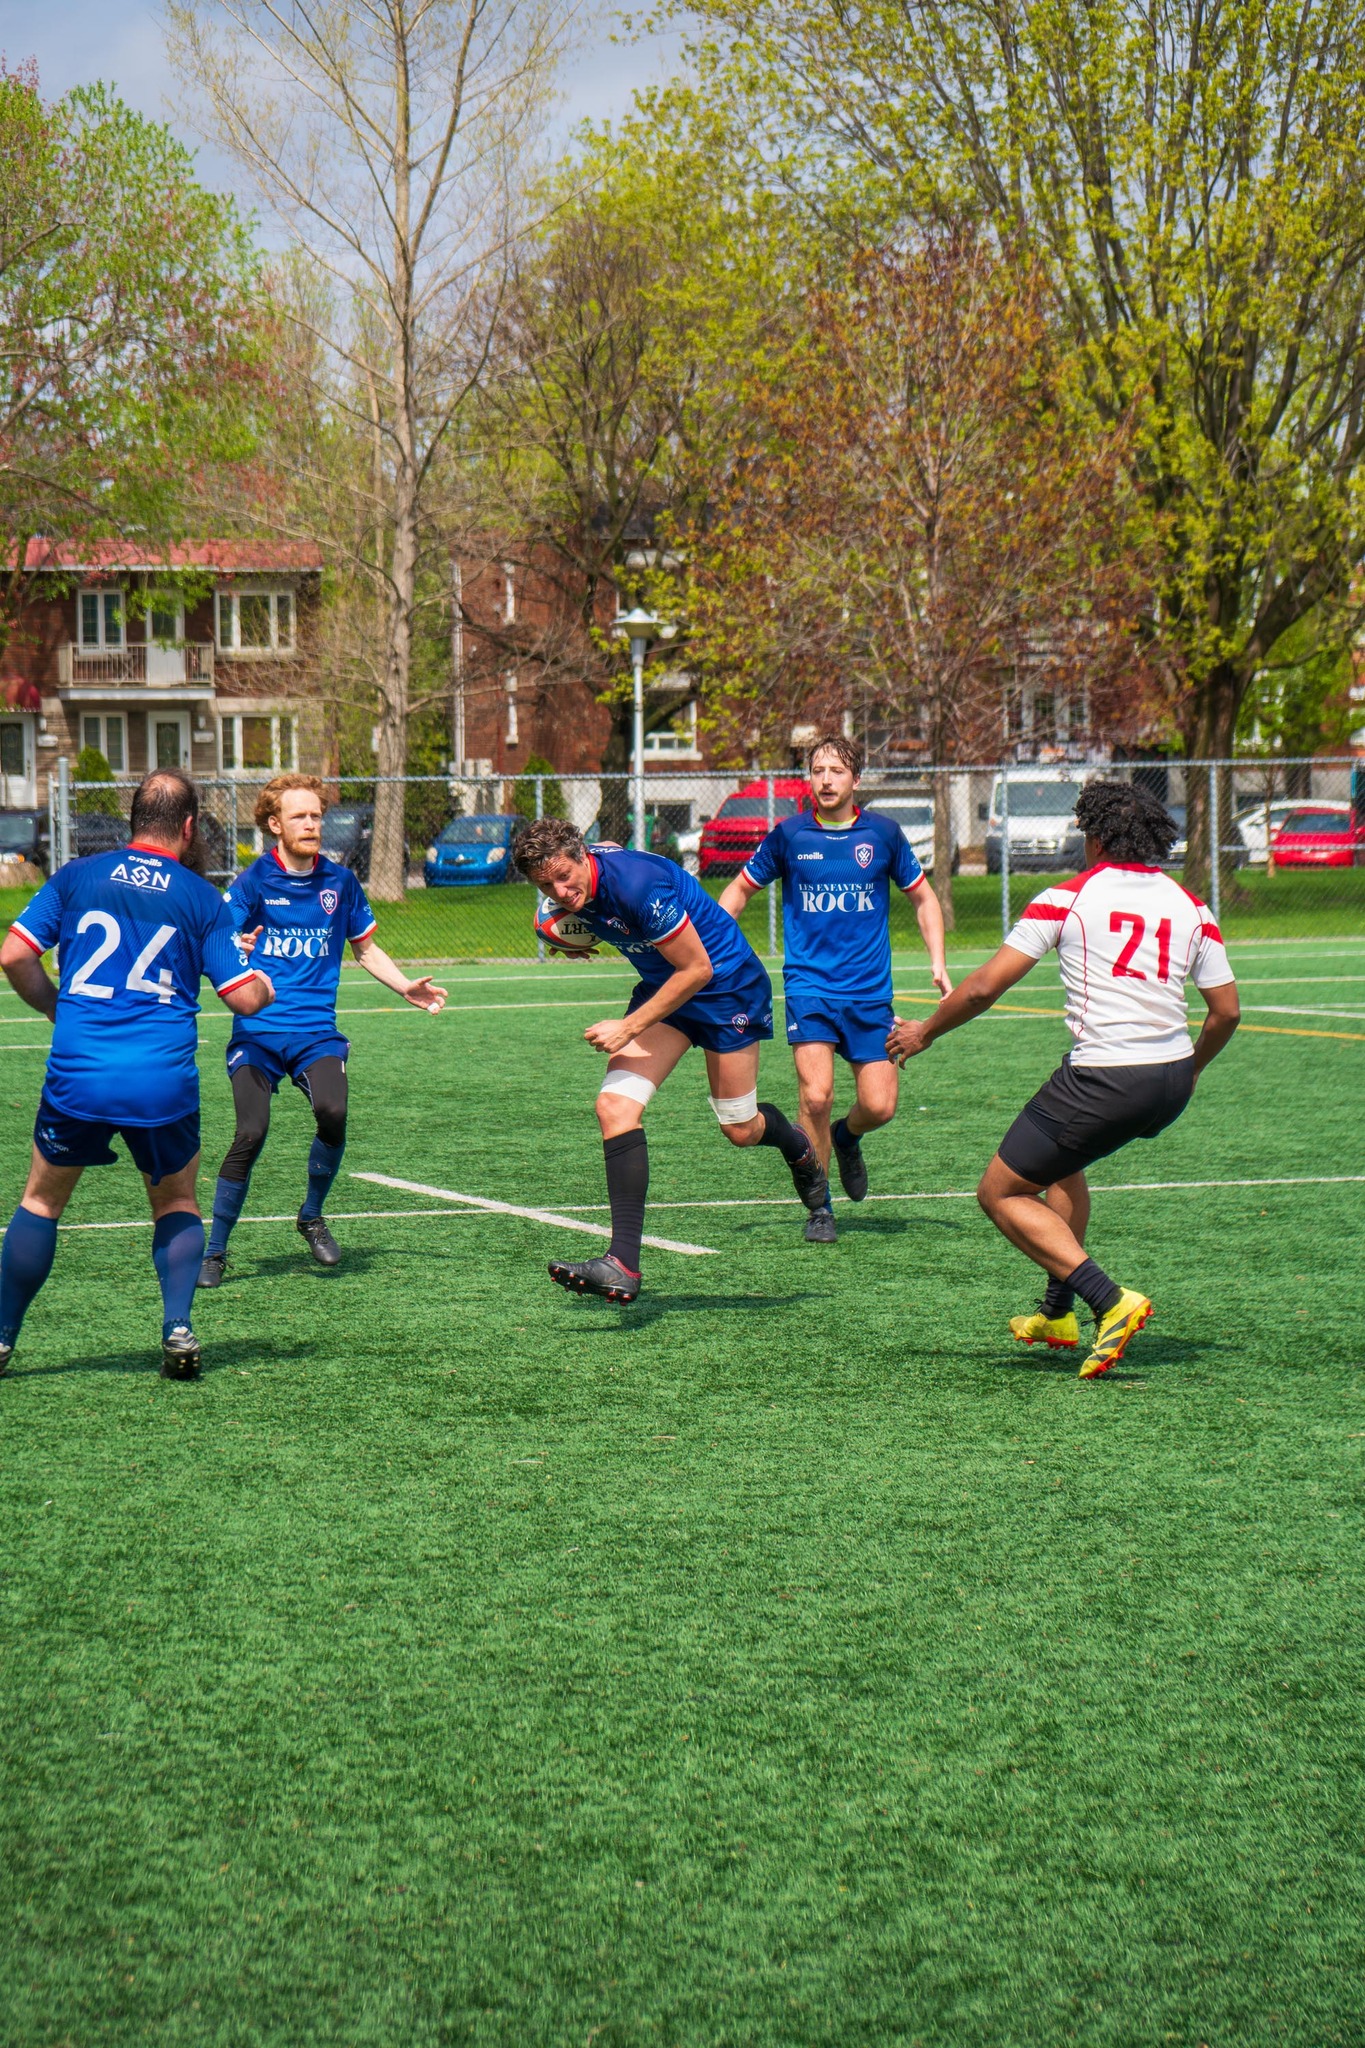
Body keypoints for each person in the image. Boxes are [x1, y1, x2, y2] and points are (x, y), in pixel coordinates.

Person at [887, 780, 1240, 1378]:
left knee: (999, 1192)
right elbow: (1226, 1011)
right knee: (1059, 1162)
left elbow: (982, 988)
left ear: (1097, 837)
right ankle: (1057, 1312)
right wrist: (1192, 1071)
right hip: (1172, 1079)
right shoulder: (1193, 906)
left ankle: (1110, 1300)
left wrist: (923, 1032)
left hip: (1107, 1078)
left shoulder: (1068, 898)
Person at [0, 769, 274, 1379]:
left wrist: (54, 1007)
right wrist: (263, 979)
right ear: (188, 827)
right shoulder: (201, 897)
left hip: (80, 1073)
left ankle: (2, 1337)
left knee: (41, 1204)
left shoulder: (76, 877)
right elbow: (244, 1000)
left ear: (132, 824)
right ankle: (178, 1327)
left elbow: (14, 954)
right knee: (175, 1199)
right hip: (160, 1082)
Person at [513, 816, 829, 1302]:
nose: (560, 891)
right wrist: (573, 937)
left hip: (726, 990)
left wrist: (628, 1026)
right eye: (545, 886)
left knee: (740, 1127)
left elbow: (697, 967)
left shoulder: (638, 887)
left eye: (564, 876)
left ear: (582, 856)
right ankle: (622, 1265)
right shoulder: (580, 871)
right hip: (668, 989)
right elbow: (609, 850)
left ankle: (798, 1147)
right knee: (614, 1107)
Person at [198, 773, 447, 1286]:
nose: (311, 824)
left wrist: (404, 986)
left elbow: (366, 947)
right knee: (251, 1131)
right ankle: (215, 1250)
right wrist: (235, 948)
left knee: (333, 1112)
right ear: (274, 824)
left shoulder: (340, 882)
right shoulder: (253, 881)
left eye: (316, 815)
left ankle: (310, 1215)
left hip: (315, 1032)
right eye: (299, 816)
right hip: (258, 1031)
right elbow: (219, 935)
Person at [719, 735, 951, 1242]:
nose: (826, 779)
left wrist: (938, 961)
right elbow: (739, 889)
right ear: (809, 778)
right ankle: (820, 1206)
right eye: (818, 770)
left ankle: (848, 1137)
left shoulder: (884, 835)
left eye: (837, 771)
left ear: (855, 780)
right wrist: (714, 944)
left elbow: (924, 899)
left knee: (880, 1106)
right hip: (810, 987)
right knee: (816, 1095)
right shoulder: (789, 835)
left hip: (870, 994)